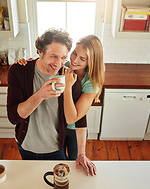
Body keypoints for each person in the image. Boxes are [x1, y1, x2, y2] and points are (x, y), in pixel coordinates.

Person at [7, 28, 96, 176]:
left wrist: (81, 154)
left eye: (63, 58)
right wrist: (40, 95)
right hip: (26, 146)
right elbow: (13, 117)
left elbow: (80, 117)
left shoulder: (69, 77)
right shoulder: (18, 71)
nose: (58, 63)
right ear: (40, 52)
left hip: (55, 149)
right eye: (54, 56)